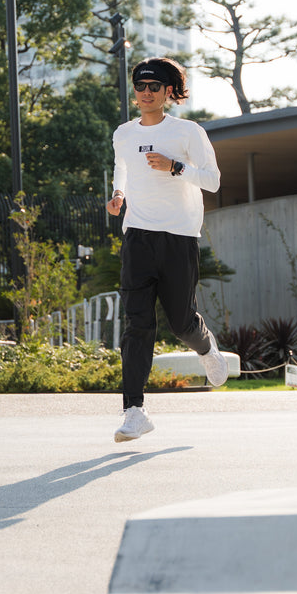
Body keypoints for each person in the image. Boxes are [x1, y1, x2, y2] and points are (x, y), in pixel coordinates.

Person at [106, 57, 228, 443]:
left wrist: (176, 167)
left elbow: (212, 181)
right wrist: (118, 194)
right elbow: (121, 167)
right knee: (137, 324)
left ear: (169, 92)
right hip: (138, 236)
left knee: (180, 322)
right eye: (140, 86)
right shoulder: (123, 133)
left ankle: (206, 348)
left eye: (154, 87)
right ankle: (134, 410)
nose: (145, 93)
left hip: (178, 236)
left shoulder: (188, 132)